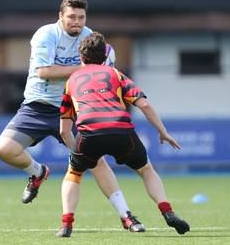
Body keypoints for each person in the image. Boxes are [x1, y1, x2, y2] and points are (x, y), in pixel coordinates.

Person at [0, 0, 145, 232]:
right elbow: (44, 72)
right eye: (72, 17)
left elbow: (105, 74)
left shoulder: (91, 38)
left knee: (96, 163)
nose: (77, 21)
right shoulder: (46, 34)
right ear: (60, 17)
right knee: (4, 150)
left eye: (81, 17)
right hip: (37, 106)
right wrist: (87, 68)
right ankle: (38, 172)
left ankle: (126, 216)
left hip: (75, 109)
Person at [55, 31, 190, 238]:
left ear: (81, 58)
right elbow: (144, 103)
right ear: (105, 57)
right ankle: (167, 211)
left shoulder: (71, 80)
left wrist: (76, 154)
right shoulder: (116, 74)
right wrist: (163, 132)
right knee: (146, 170)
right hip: (121, 131)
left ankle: (66, 225)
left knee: (73, 174)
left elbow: (64, 128)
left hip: (89, 134)